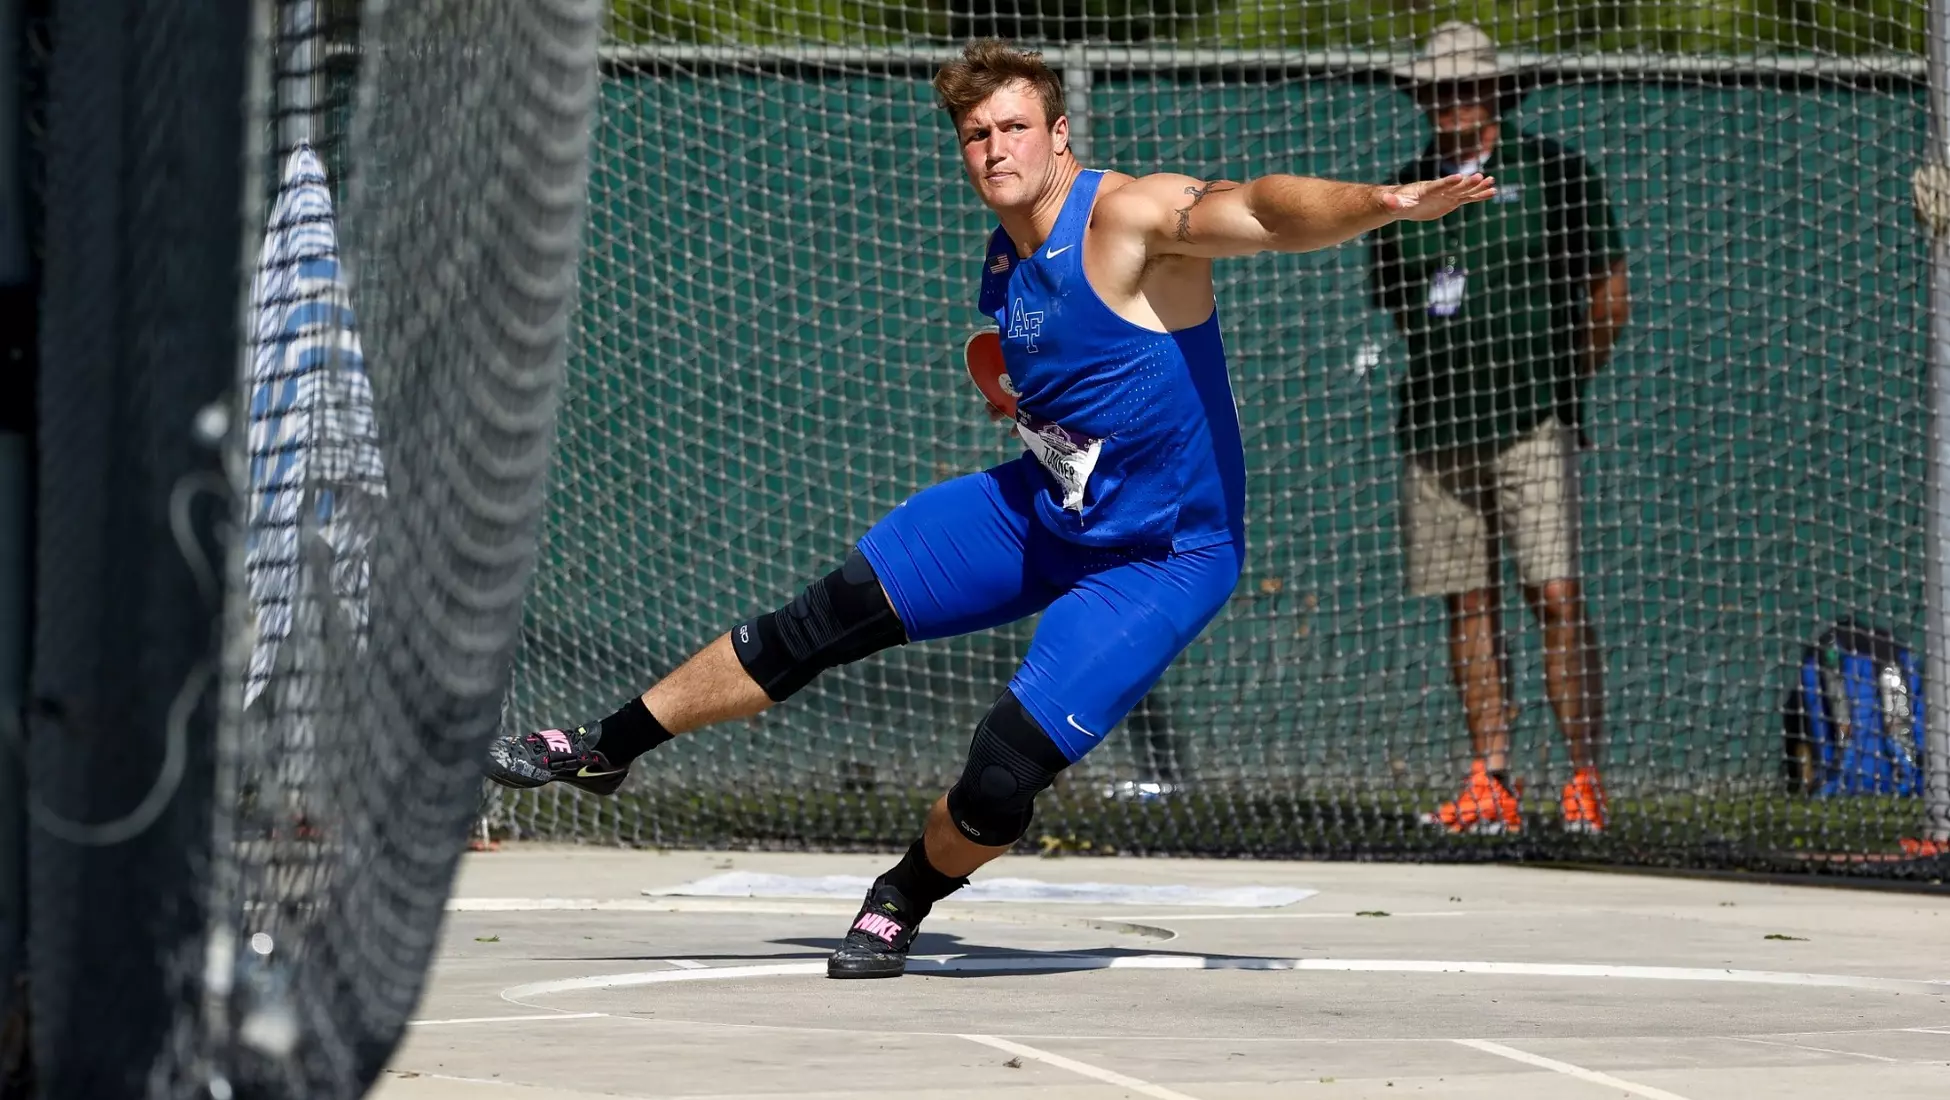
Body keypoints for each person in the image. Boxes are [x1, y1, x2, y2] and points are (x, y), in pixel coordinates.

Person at [487, 38, 1491, 978]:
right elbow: (1037, 370)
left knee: (999, 777)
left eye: (1015, 127)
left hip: (1161, 558)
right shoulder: (1005, 258)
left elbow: (1264, 210)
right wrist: (1016, 394)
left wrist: (1384, 201)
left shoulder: (1131, 219)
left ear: (1060, 136)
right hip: (1040, 510)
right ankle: (605, 745)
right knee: (817, 620)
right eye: (977, 134)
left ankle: (905, 891)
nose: (995, 146)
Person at [1366, 22, 1630, 835]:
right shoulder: (1403, 188)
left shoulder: (1554, 172)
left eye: (1465, 87)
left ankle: (1584, 777)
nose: (1451, 101)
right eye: (1436, 89)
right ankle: (1491, 779)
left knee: (1554, 592)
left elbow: (1608, 294)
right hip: (1437, 422)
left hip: (1531, 418)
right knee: (1466, 601)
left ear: (1495, 92)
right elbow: (1400, 307)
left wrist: (1562, 389)